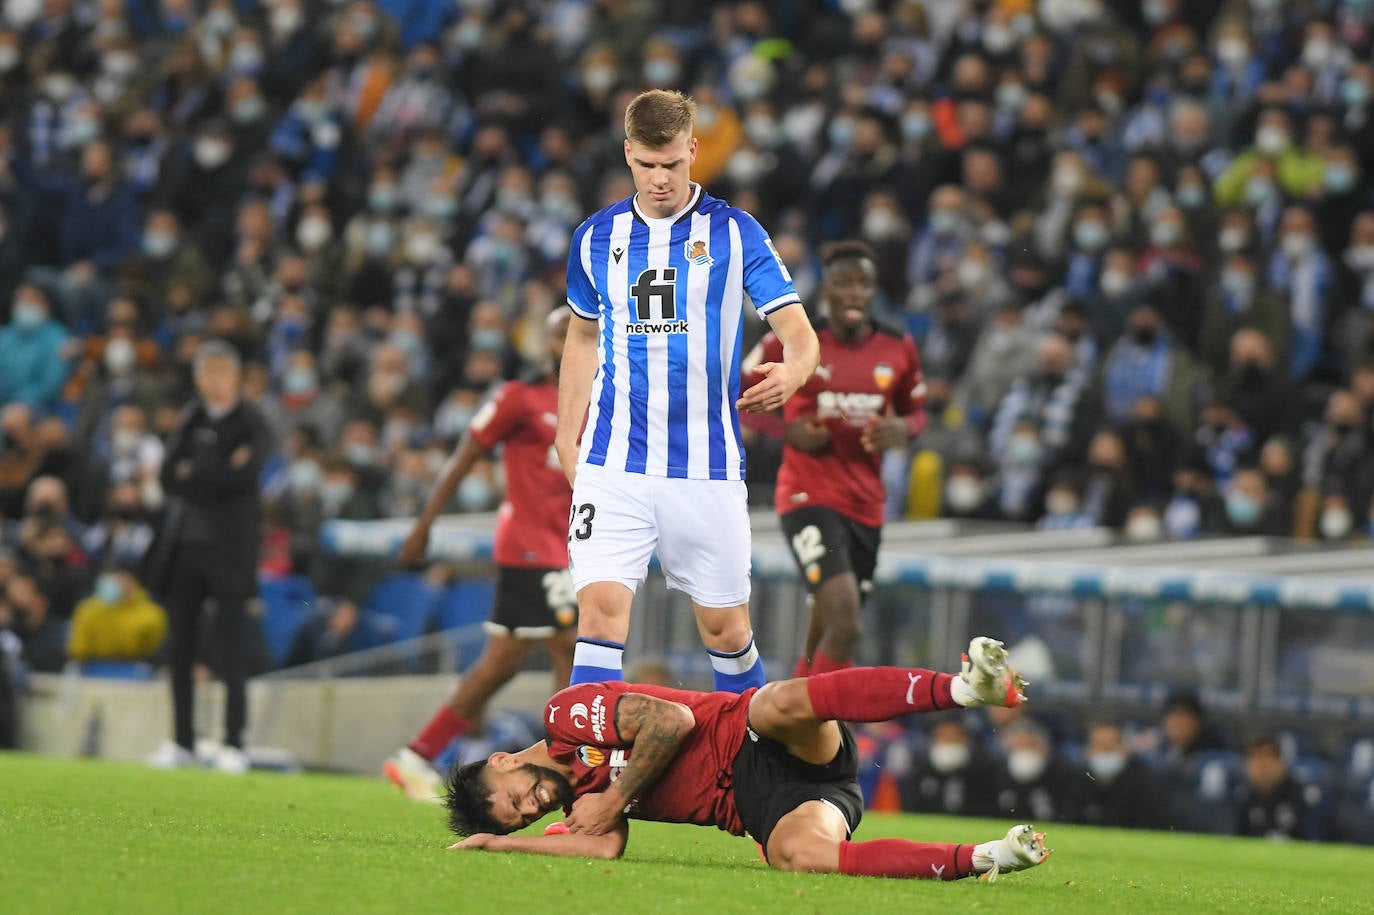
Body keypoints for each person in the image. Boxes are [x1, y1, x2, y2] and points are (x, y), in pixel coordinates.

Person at [555, 89, 819, 690]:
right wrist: (563, 432)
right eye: (647, 165)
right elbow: (580, 337)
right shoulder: (596, 237)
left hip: (706, 463)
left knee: (725, 629)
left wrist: (794, 371)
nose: (659, 179)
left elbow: (799, 333)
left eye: (672, 164)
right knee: (597, 614)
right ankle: (597, 776)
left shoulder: (735, 232)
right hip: (613, 458)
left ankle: (756, 764)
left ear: (693, 151)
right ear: (628, 155)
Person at [447, 637, 1050, 883]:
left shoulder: (564, 720)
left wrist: (614, 793)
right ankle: (991, 858)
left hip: (749, 736)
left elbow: (671, 720)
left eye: (519, 795)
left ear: (503, 759)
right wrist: (496, 845)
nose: (537, 804)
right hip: (763, 804)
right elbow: (602, 846)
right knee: (798, 857)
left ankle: (965, 689)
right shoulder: (577, 805)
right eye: (524, 816)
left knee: (778, 703)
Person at [384, 310, 578, 801]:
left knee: (501, 664)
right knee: (571, 648)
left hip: (572, 545)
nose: (571, 337)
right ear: (547, 342)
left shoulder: (602, 396)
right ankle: (570, 769)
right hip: (532, 547)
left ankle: (415, 756)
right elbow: (465, 456)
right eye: (561, 330)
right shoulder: (519, 397)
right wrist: (424, 525)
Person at [743, 241, 924, 676]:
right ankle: (811, 713)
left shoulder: (897, 346)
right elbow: (736, 393)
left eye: (863, 284)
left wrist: (903, 429)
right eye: (845, 283)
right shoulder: (794, 341)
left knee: (828, 626)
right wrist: (787, 431)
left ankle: (795, 714)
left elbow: (916, 411)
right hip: (808, 495)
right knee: (846, 623)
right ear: (827, 289)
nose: (855, 294)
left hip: (866, 503)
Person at [145, 340, 269, 774]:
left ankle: (234, 742)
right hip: (184, 549)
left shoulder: (253, 422)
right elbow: (166, 477)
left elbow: (244, 477)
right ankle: (183, 741)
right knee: (179, 647)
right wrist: (216, 468)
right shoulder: (190, 417)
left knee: (231, 648)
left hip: (230, 551)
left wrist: (196, 469)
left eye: (222, 373)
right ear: (199, 378)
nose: (214, 382)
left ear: (236, 378)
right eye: (208, 373)